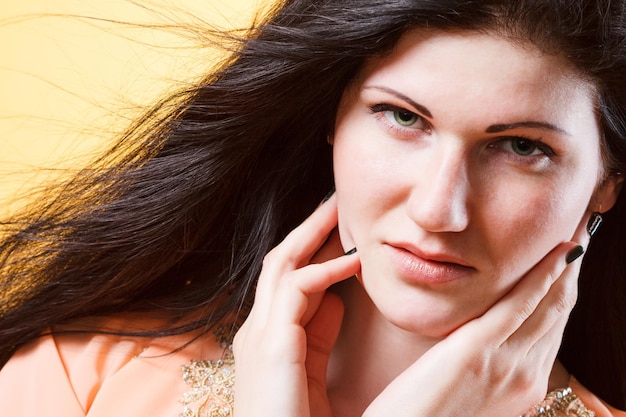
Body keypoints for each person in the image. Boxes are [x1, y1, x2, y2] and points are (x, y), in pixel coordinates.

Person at [0, 0, 625, 416]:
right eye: (402, 117)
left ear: (606, 183)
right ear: (333, 118)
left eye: (521, 147)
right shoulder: (85, 375)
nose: (439, 209)